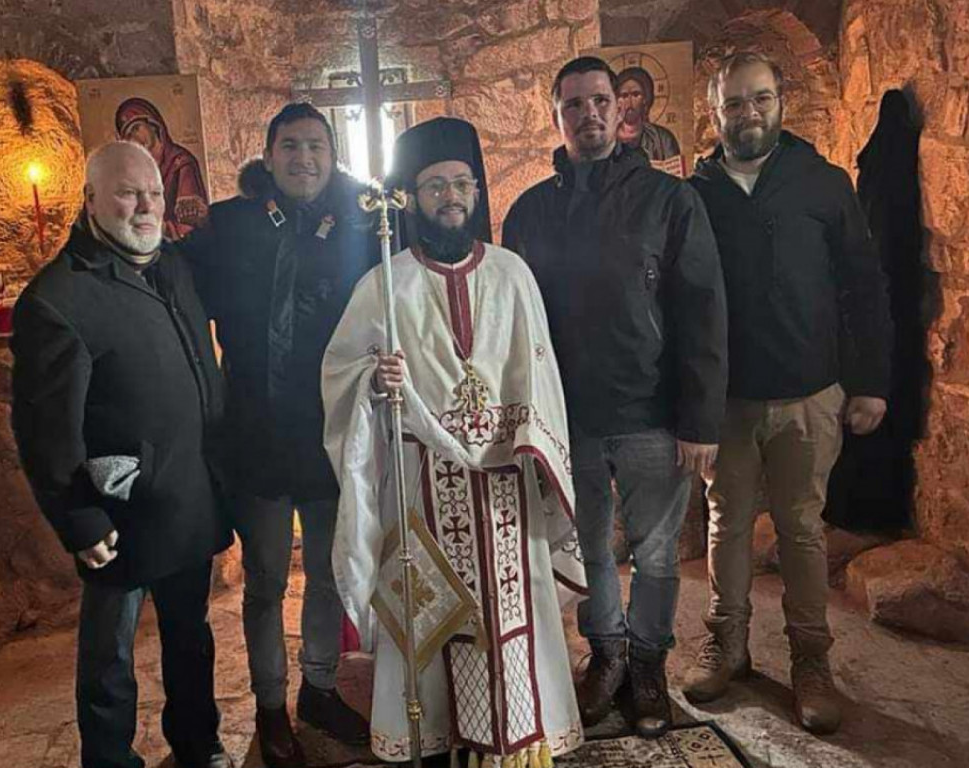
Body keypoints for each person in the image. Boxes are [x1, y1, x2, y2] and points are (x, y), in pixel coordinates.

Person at [324, 117, 587, 765]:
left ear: (476, 191)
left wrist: (533, 448)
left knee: (510, 614)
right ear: (412, 197)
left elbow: (542, 373)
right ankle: (442, 743)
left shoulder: (513, 274)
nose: (451, 197)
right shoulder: (384, 285)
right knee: (436, 618)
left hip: (505, 486)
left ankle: (516, 741)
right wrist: (374, 381)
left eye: (461, 184)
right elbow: (341, 377)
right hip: (422, 487)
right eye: (436, 185)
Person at [503, 56, 728, 739]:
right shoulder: (530, 212)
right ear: (556, 116)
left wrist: (700, 419)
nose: (589, 114)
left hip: (652, 415)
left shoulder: (669, 200)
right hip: (566, 417)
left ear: (621, 108)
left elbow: (703, 311)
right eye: (573, 104)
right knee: (589, 548)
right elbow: (514, 321)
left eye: (599, 100)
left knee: (657, 555)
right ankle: (605, 657)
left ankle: (648, 664)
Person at [684, 51, 893, 735]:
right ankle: (727, 646)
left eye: (761, 99)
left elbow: (864, 285)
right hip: (728, 401)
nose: (748, 114)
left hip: (810, 394)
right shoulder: (696, 194)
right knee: (726, 524)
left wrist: (871, 382)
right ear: (714, 111)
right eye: (734, 103)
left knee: (802, 530)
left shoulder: (823, 184)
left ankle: (811, 662)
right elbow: (681, 302)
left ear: (781, 101)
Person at [11, 141, 232, 768]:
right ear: (90, 199)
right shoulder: (57, 298)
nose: (145, 206)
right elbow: (43, 427)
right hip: (118, 509)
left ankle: (197, 745)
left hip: (185, 492)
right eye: (128, 193)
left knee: (190, 637)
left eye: (154, 193)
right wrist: (79, 518)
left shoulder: (172, 266)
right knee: (109, 658)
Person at [181, 103, 377, 768]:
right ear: (267, 157)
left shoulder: (359, 225)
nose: (304, 158)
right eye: (290, 146)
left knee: (325, 577)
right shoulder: (229, 226)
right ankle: (270, 707)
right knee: (265, 582)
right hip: (257, 435)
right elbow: (176, 288)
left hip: (329, 435)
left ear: (334, 154)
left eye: (316, 145)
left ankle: (318, 689)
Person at [115, 97, 210, 240]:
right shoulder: (133, 173)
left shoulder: (181, 163)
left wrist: (161, 229)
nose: (135, 138)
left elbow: (191, 223)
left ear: (153, 125)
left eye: (136, 128)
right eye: (128, 136)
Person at [615, 66, 683, 171]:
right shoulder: (607, 140)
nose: (629, 101)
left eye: (635, 94)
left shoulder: (663, 139)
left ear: (645, 99)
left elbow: (675, 177)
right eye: (624, 95)